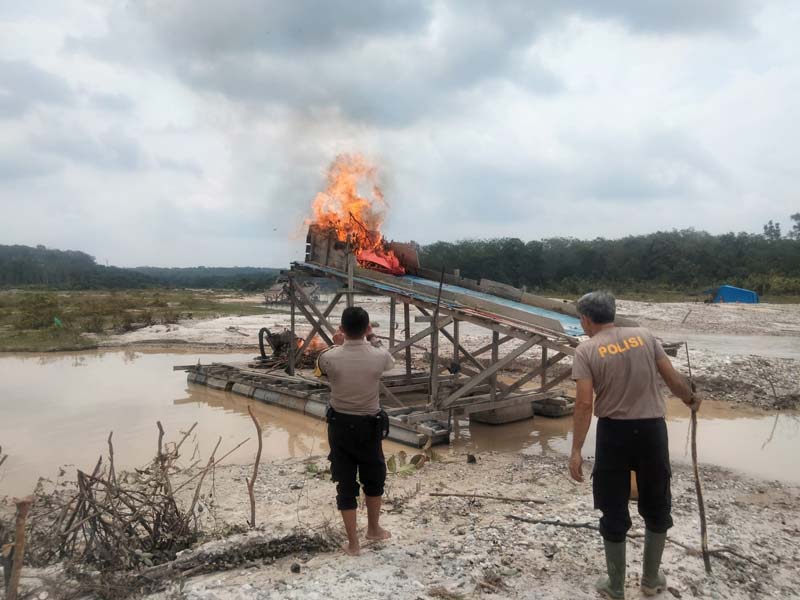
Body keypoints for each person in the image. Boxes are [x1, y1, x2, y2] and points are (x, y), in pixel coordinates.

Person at [568, 291, 700, 599]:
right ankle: (651, 580)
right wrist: (691, 399)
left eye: (580, 319)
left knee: (612, 505)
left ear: (586, 319)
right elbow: (672, 379)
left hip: (614, 434)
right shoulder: (644, 336)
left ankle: (615, 586)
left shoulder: (586, 350)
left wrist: (576, 449)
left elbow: (584, 404)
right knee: (656, 501)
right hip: (653, 431)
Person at [317, 306, 394, 556]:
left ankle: (353, 543)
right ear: (367, 328)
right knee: (374, 478)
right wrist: (371, 338)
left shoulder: (331, 357)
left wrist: (334, 344)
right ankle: (374, 529)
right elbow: (389, 358)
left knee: (345, 482)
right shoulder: (378, 356)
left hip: (340, 426)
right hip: (370, 425)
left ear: (341, 329)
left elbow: (319, 367)